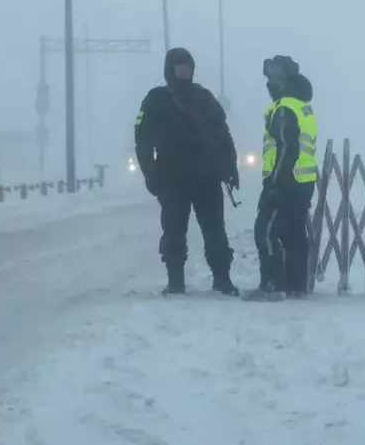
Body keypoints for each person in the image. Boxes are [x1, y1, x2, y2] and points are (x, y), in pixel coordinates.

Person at [134, 47, 242, 296]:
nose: (183, 70)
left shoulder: (204, 98)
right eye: (178, 65)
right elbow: (142, 140)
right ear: (169, 69)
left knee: (215, 230)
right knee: (173, 231)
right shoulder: (155, 99)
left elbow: (223, 135)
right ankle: (175, 281)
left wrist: (230, 168)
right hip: (172, 179)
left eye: (187, 66)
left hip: (207, 177)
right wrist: (150, 174)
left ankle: (222, 279)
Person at [245, 55, 317, 301]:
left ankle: (272, 285)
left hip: (285, 181)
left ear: (285, 80)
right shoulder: (301, 104)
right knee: (294, 233)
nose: (269, 83)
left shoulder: (285, 106)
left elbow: (287, 148)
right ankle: (296, 286)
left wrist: (275, 184)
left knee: (265, 230)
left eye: (274, 78)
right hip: (302, 181)